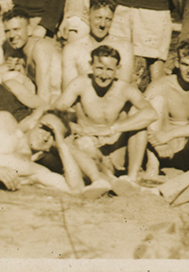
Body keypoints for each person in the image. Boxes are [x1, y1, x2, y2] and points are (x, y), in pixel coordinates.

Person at [53, 45, 158, 183]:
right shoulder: (80, 84)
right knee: (82, 144)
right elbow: (55, 112)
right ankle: (105, 178)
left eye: (109, 70)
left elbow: (151, 114)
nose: (103, 75)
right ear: (91, 65)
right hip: (89, 146)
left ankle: (131, 179)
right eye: (99, 68)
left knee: (140, 127)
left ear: (117, 70)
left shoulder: (124, 89)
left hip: (116, 150)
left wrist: (111, 129)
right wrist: (77, 128)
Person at [127, 38, 189, 183]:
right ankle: (152, 168)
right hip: (160, 147)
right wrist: (158, 142)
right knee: (156, 102)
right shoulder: (162, 84)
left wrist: (168, 135)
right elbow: (137, 113)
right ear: (177, 63)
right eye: (185, 65)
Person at [61, 0, 134, 90]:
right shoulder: (72, 49)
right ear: (88, 16)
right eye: (98, 18)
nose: (102, 24)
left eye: (108, 19)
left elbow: (123, 88)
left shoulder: (124, 47)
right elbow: (68, 90)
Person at [0, 7, 63, 104]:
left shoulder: (40, 47)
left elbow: (44, 90)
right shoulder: (22, 49)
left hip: (57, 99)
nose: (12, 35)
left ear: (29, 30)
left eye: (16, 29)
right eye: (7, 31)